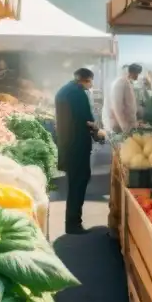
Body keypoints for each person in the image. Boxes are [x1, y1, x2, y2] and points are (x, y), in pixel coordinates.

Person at [55, 67, 103, 234]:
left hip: (67, 145)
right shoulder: (78, 93)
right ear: (86, 79)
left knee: (73, 182)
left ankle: (71, 222)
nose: (90, 85)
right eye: (90, 81)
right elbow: (87, 121)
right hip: (78, 147)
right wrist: (99, 132)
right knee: (79, 183)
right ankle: (73, 224)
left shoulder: (63, 91)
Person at [106, 63, 141, 135]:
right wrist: (125, 127)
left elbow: (129, 104)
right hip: (119, 126)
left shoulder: (127, 82)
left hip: (127, 125)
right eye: (136, 74)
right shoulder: (120, 83)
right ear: (131, 72)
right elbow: (117, 107)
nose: (137, 77)